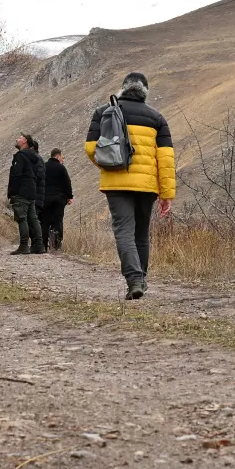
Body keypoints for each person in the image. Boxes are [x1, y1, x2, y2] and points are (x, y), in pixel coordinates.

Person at [84, 72, 175, 299]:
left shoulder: (104, 112)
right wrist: (166, 194)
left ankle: (134, 280)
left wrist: (110, 166)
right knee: (141, 234)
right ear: (145, 91)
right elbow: (165, 160)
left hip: (117, 184)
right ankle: (140, 280)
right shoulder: (157, 118)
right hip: (147, 186)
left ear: (123, 88)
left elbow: (90, 147)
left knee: (124, 231)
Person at [7, 133, 44, 255]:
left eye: (20, 138)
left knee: (22, 218)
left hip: (21, 192)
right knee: (33, 219)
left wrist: (13, 192)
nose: (17, 139)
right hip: (31, 191)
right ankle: (39, 245)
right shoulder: (34, 157)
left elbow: (16, 175)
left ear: (25, 142)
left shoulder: (20, 156)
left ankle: (23, 245)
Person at [40, 148, 74, 251]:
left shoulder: (44, 166)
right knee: (58, 221)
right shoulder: (61, 168)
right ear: (57, 156)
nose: (62, 159)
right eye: (62, 157)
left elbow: (39, 182)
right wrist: (69, 197)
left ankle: (43, 245)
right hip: (59, 199)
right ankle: (56, 245)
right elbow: (67, 183)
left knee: (45, 221)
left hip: (46, 198)